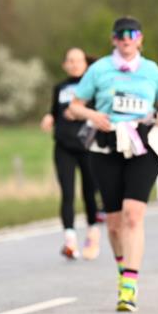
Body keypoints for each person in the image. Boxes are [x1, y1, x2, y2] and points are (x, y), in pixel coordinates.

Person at [67, 17, 158, 313]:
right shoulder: (100, 69)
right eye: (121, 35)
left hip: (143, 144)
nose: (127, 39)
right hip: (107, 145)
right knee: (114, 224)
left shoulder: (151, 70)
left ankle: (129, 284)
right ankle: (122, 268)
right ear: (114, 39)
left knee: (133, 214)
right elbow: (74, 106)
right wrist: (91, 115)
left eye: (132, 34)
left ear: (140, 39)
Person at [40, 47, 103, 258]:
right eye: (70, 61)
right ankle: (69, 240)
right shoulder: (60, 87)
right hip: (64, 146)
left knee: (89, 192)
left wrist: (79, 112)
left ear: (86, 63)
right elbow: (54, 112)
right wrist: (50, 118)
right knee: (67, 193)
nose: (74, 64)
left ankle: (93, 232)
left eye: (78, 60)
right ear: (65, 65)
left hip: (87, 145)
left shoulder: (93, 86)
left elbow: (100, 112)